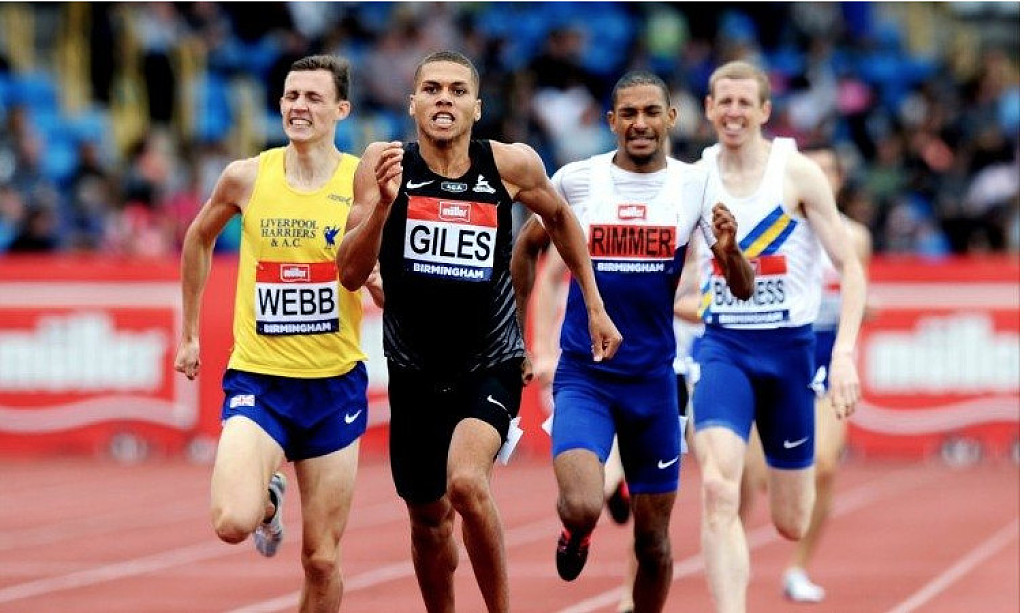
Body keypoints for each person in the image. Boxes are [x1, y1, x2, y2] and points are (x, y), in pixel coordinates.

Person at [335, 50, 621, 613]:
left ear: (477, 107)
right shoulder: (383, 163)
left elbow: (561, 220)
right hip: (414, 370)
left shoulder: (511, 165)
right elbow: (348, 272)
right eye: (432, 89)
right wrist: (383, 209)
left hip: (489, 362)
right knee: (428, 521)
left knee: (466, 483)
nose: (444, 99)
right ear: (412, 103)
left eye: (457, 90)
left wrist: (594, 303)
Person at [512, 70, 754, 613]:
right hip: (586, 378)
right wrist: (519, 338)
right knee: (581, 504)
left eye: (650, 112)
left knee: (654, 544)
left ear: (671, 118)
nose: (639, 123)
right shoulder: (578, 180)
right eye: (628, 114)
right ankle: (576, 532)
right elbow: (527, 248)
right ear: (611, 121)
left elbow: (741, 287)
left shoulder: (695, 185)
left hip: (653, 385)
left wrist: (731, 250)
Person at [174, 55, 372, 612]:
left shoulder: (359, 179)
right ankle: (266, 502)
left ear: (341, 109)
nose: (298, 107)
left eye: (313, 97)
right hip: (260, 382)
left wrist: (379, 279)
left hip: (333, 387)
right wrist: (190, 333)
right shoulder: (247, 176)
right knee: (231, 522)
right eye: (291, 96)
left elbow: (376, 260)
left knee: (322, 560)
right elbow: (198, 238)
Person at [689, 60, 868, 613]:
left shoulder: (798, 174)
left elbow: (851, 268)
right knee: (719, 488)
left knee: (791, 520)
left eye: (745, 102)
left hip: (790, 354)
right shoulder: (694, 179)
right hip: (724, 348)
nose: (734, 112)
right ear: (708, 108)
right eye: (724, 101)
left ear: (765, 110)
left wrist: (843, 355)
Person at [737, 144, 873, 603]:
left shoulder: (855, 236)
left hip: (825, 363)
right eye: (815, 169)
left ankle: (797, 568)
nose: (823, 176)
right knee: (757, 478)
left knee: (826, 467)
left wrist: (856, 326)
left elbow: (857, 290)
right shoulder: (777, 227)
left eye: (830, 169)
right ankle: (734, 551)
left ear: (839, 179)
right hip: (776, 358)